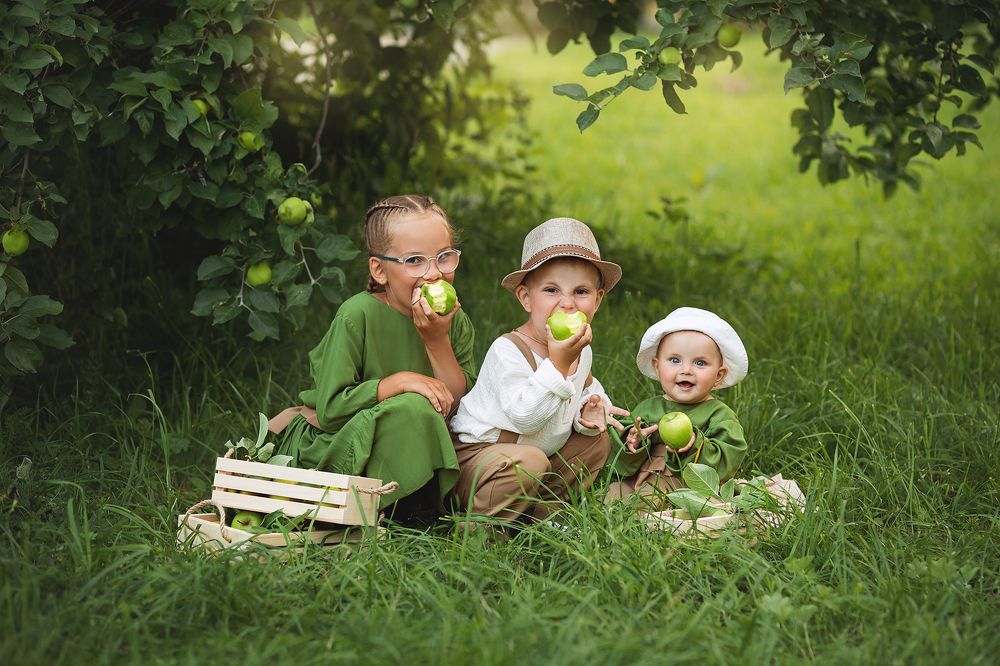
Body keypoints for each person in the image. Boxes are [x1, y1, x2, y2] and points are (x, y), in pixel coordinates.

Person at [269, 194, 476, 515]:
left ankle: (415, 506)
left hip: (410, 439)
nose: (434, 273)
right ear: (380, 270)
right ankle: (408, 510)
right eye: (414, 260)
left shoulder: (453, 320)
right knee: (412, 407)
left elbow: (455, 405)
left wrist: (436, 341)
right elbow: (330, 410)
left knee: (419, 411)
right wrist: (398, 382)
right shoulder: (357, 316)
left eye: (444, 256)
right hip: (339, 440)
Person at [449, 217, 629, 522]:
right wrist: (558, 364)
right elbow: (526, 417)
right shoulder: (508, 351)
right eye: (551, 290)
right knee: (530, 461)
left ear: (597, 301)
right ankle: (483, 531)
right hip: (478, 463)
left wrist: (591, 409)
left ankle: (541, 518)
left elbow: (583, 390)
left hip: (533, 459)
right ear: (526, 297)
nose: (567, 304)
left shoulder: (580, 349)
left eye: (581, 292)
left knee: (596, 442)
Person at [606, 307, 748, 506]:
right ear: (657, 366)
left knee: (655, 505)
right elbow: (622, 456)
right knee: (611, 496)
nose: (686, 370)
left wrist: (695, 443)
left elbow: (728, 457)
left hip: (690, 486)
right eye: (675, 360)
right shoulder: (648, 408)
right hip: (643, 479)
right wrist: (634, 442)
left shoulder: (719, 414)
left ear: (719, 375)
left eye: (700, 363)